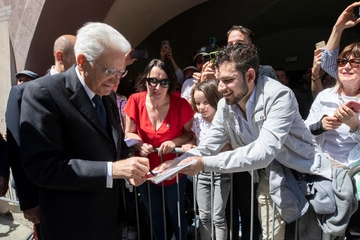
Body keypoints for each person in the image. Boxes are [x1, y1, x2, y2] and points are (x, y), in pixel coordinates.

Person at [157, 43, 335, 240]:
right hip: (270, 177)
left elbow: (263, 152)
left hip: (303, 177)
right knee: (271, 236)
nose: (221, 88)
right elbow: (210, 144)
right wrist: (181, 161)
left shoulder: (279, 95)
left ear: (250, 76)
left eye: (228, 80)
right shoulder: (226, 104)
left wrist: (203, 164)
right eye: (218, 80)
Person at [19, 22, 149, 240]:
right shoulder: (42, 93)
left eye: (121, 71)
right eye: (110, 71)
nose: (117, 80)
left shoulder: (106, 93)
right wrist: (113, 170)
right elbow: (42, 166)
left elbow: (110, 144)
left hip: (110, 222)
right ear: (82, 62)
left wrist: (131, 166)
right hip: (71, 226)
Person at [6, 35, 76, 239]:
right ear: (61, 56)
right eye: (78, 56)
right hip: (45, 197)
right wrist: (28, 200)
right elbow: (17, 148)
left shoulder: (83, 93)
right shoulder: (23, 93)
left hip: (79, 197)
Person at [124, 59, 194, 240]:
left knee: (177, 215)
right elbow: (129, 134)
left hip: (173, 171)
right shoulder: (135, 100)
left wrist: (174, 141)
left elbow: (190, 135)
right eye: (152, 81)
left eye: (164, 82)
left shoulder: (181, 104)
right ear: (145, 80)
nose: (157, 87)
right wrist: (140, 144)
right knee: (155, 215)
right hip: (146, 172)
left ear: (170, 83)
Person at [312, 2, 360, 238]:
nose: (346, 66)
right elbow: (305, 129)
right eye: (343, 62)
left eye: (355, 62)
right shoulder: (324, 96)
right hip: (325, 172)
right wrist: (322, 125)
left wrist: (355, 125)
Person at [182, 79, 231, 240]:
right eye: (198, 103)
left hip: (220, 172)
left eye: (206, 102)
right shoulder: (197, 121)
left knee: (218, 217)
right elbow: (194, 138)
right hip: (201, 173)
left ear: (215, 100)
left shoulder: (225, 120)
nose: (201, 107)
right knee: (203, 216)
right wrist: (189, 144)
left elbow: (229, 145)